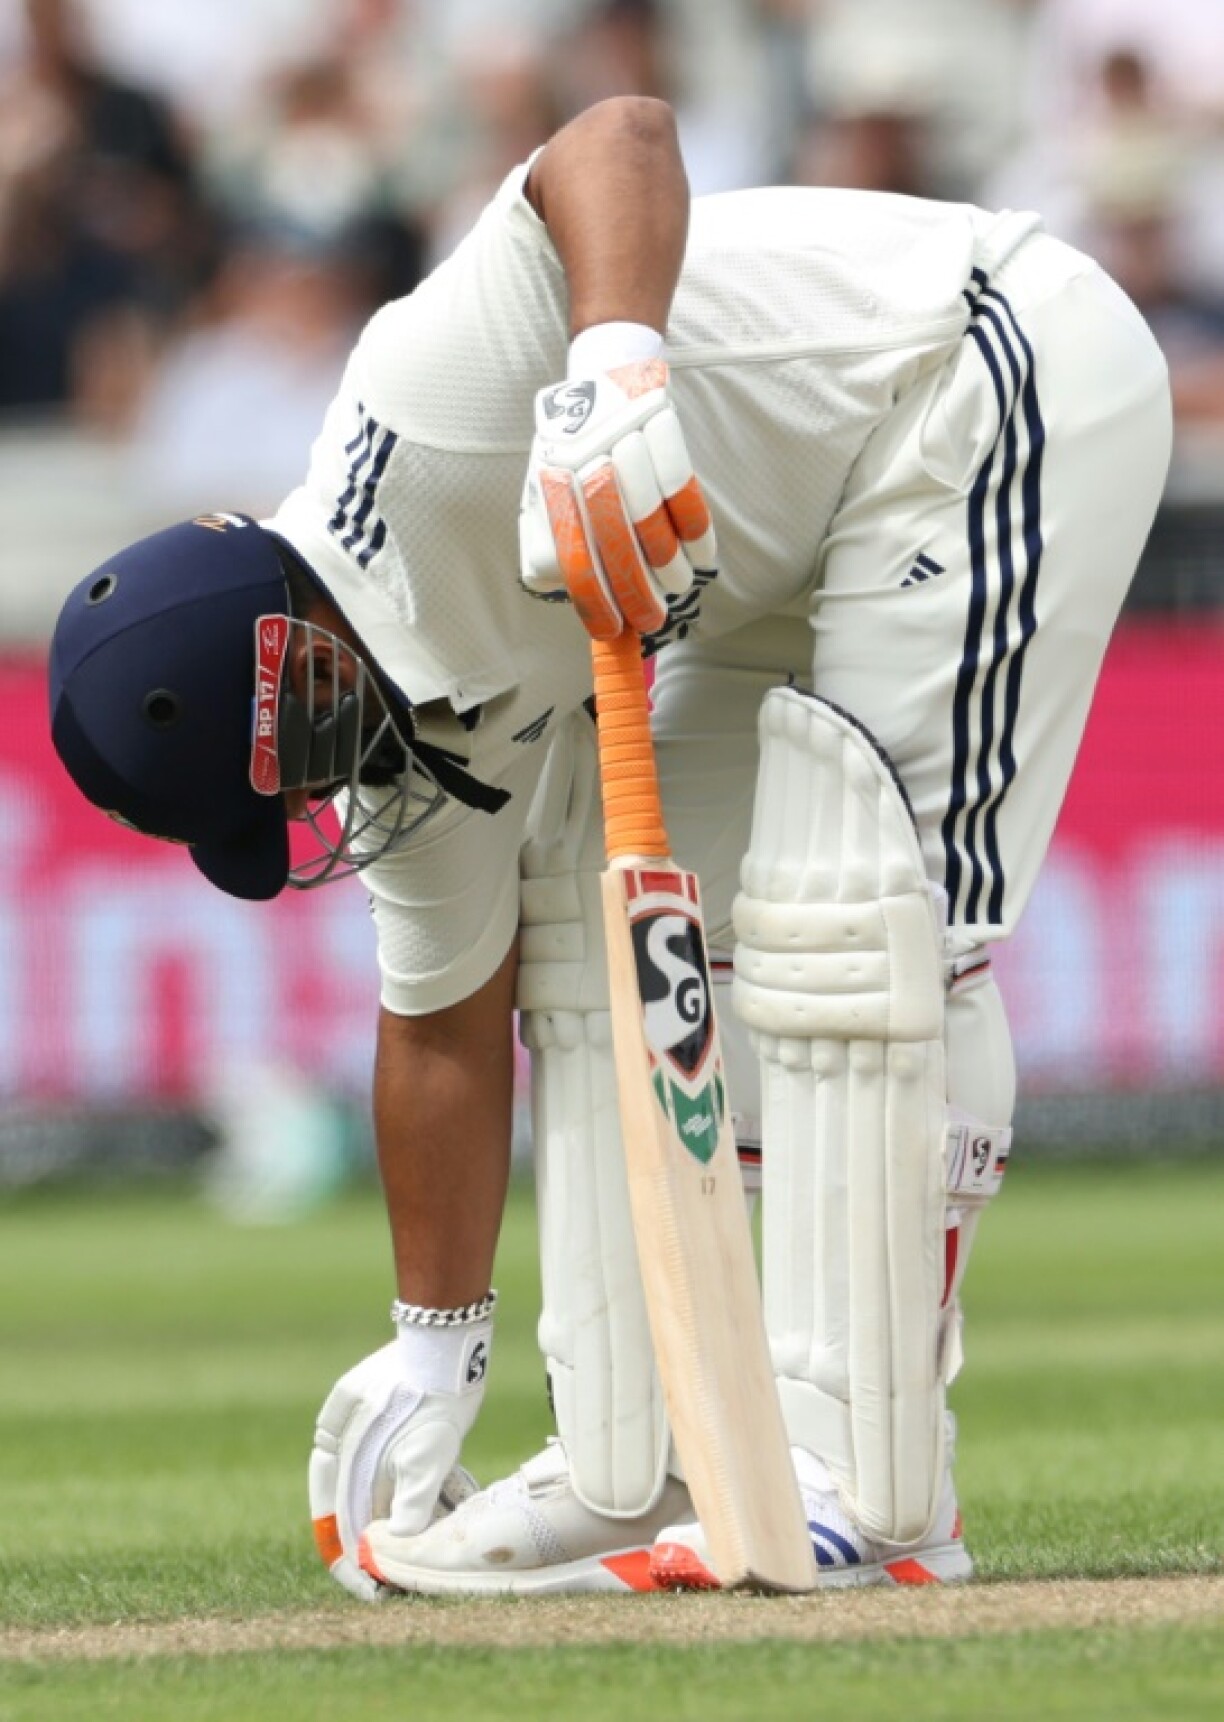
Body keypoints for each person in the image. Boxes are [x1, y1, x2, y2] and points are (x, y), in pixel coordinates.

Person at [48, 96, 1172, 1598]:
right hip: (776, 534)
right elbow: (443, 1024)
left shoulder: (421, 397)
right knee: (602, 940)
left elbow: (621, 137)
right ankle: (639, 1451)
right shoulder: (396, 754)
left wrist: (610, 359)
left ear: (289, 676)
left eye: (284, 785)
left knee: (853, 914)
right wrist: (432, 1343)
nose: (317, 816)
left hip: (970, 366)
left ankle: (873, 1479)